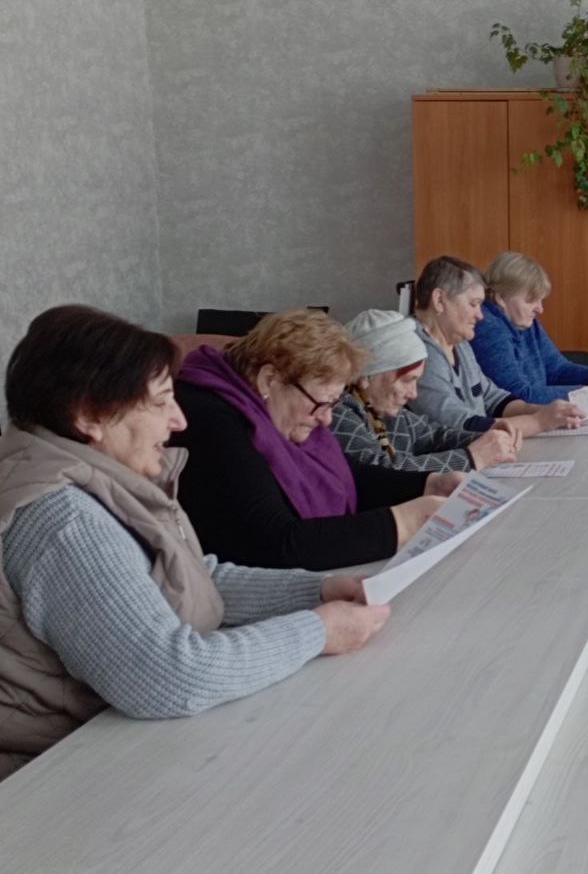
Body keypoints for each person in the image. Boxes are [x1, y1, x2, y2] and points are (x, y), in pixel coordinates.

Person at [0, 306, 389, 780]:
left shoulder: (106, 480)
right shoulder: (63, 518)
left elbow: (190, 576)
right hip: (49, 777)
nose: (180, 420)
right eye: (161, 402)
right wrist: (317, 632)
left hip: (109, 741)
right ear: (89, 416)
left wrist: (317, 590)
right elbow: (166, 676)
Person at [173, 309, 456, 571]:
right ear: (269, 379)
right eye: (321, 404)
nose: (326, 420)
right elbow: (274, 542)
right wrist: (403, 523)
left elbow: (347, 474)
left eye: (333, 404)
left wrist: (430, 483)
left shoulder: (281, 406)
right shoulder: (211, 421)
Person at [407, 256, 584, 435]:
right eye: (473, 304)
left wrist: (539, 410)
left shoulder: (459, 343)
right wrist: (538, 422)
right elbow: (457, 424)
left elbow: (493, 398)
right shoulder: (417, 351)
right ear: (439, 300)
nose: (480, 315)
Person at [332, 309, 520, 473]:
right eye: (408, 380)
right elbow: (382, 471)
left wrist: (488, 438)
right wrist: (471, 458)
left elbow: (433, 437)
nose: (413, 393)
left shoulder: (386, 410)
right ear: (366, 377)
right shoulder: (337, 413)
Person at [471, 251, 588, 408]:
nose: (540, 309)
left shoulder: (521, 320)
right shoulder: (487, 328)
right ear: (501, 298)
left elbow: (557, 370)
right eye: (531, 301)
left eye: (540, 300)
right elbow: (516, 396)